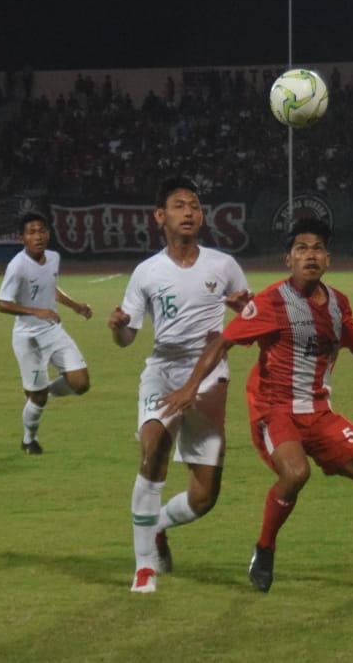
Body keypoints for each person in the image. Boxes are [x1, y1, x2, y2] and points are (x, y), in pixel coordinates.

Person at [158, 218, 353, 594]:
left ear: (329, 259)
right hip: (274, 410)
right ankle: (264, 549)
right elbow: (221, 342)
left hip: (319, 412)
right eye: (302, 248)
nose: (310, 255)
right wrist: (190, 388)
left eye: (317, 248)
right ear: (288, 259)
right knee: (295, 474)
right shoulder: (271, 302)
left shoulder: (339, 303)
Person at [107, 176, 251, 594]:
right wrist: (118, 329)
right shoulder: (146, 272)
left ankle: (158, 527)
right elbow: (128, 336)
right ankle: (144, 568)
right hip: (163, 372)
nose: (189, 211)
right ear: (160, 216)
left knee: (205, 496)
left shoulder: (223, 266)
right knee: (154, 451)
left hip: (209, 378)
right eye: (178, 205)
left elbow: (250, 320)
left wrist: (246, 311)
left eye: (195, 205)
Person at [0, 211, 93, 455]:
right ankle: (29, 440)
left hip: (53, 331)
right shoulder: (17, 266)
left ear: (48, 234)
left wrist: (76, 306)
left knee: (81, 383)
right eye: (31, 232)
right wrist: (36, 311)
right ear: (22, 238)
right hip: (27, 337)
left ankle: (42, 388)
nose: (38, 236)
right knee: (38, 400)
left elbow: (52, 287)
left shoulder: (53, 257)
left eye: (42, 231)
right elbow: (2, 304)